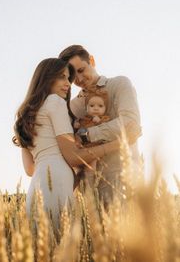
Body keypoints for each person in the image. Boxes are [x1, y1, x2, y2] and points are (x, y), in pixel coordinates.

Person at [13, 58, 140, 227]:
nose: (68, 84)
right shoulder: (55, 102)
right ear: (46, 78)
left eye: (68, 78)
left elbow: (30, 169)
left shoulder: (24, 117)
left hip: (36, 186)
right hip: (57, 181)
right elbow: (73, 158)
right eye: (62, 77)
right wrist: (119, 143)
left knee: (44, 247)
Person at [59, 45, 142, 205]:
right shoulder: (72, 106)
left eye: (82, 70)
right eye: (73, 77)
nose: (80, 80)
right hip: (87, 191)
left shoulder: (119, 84)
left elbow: (130, 123)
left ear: (92, 60)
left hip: (124, 180)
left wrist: (85, 135)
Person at [73, 88, 110, 176]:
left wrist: (99, 121)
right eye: (92, 106)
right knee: (78, 165)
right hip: (82, 148)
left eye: (100, 106)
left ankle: (90, 181)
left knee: (91, 165)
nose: (96, 108)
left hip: (95, 148)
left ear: (105, 108)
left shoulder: (104, 119)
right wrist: (76, 124)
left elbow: (106, 130)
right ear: (86, 108)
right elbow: (78, 126)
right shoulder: (84, 119)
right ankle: (80, 180)